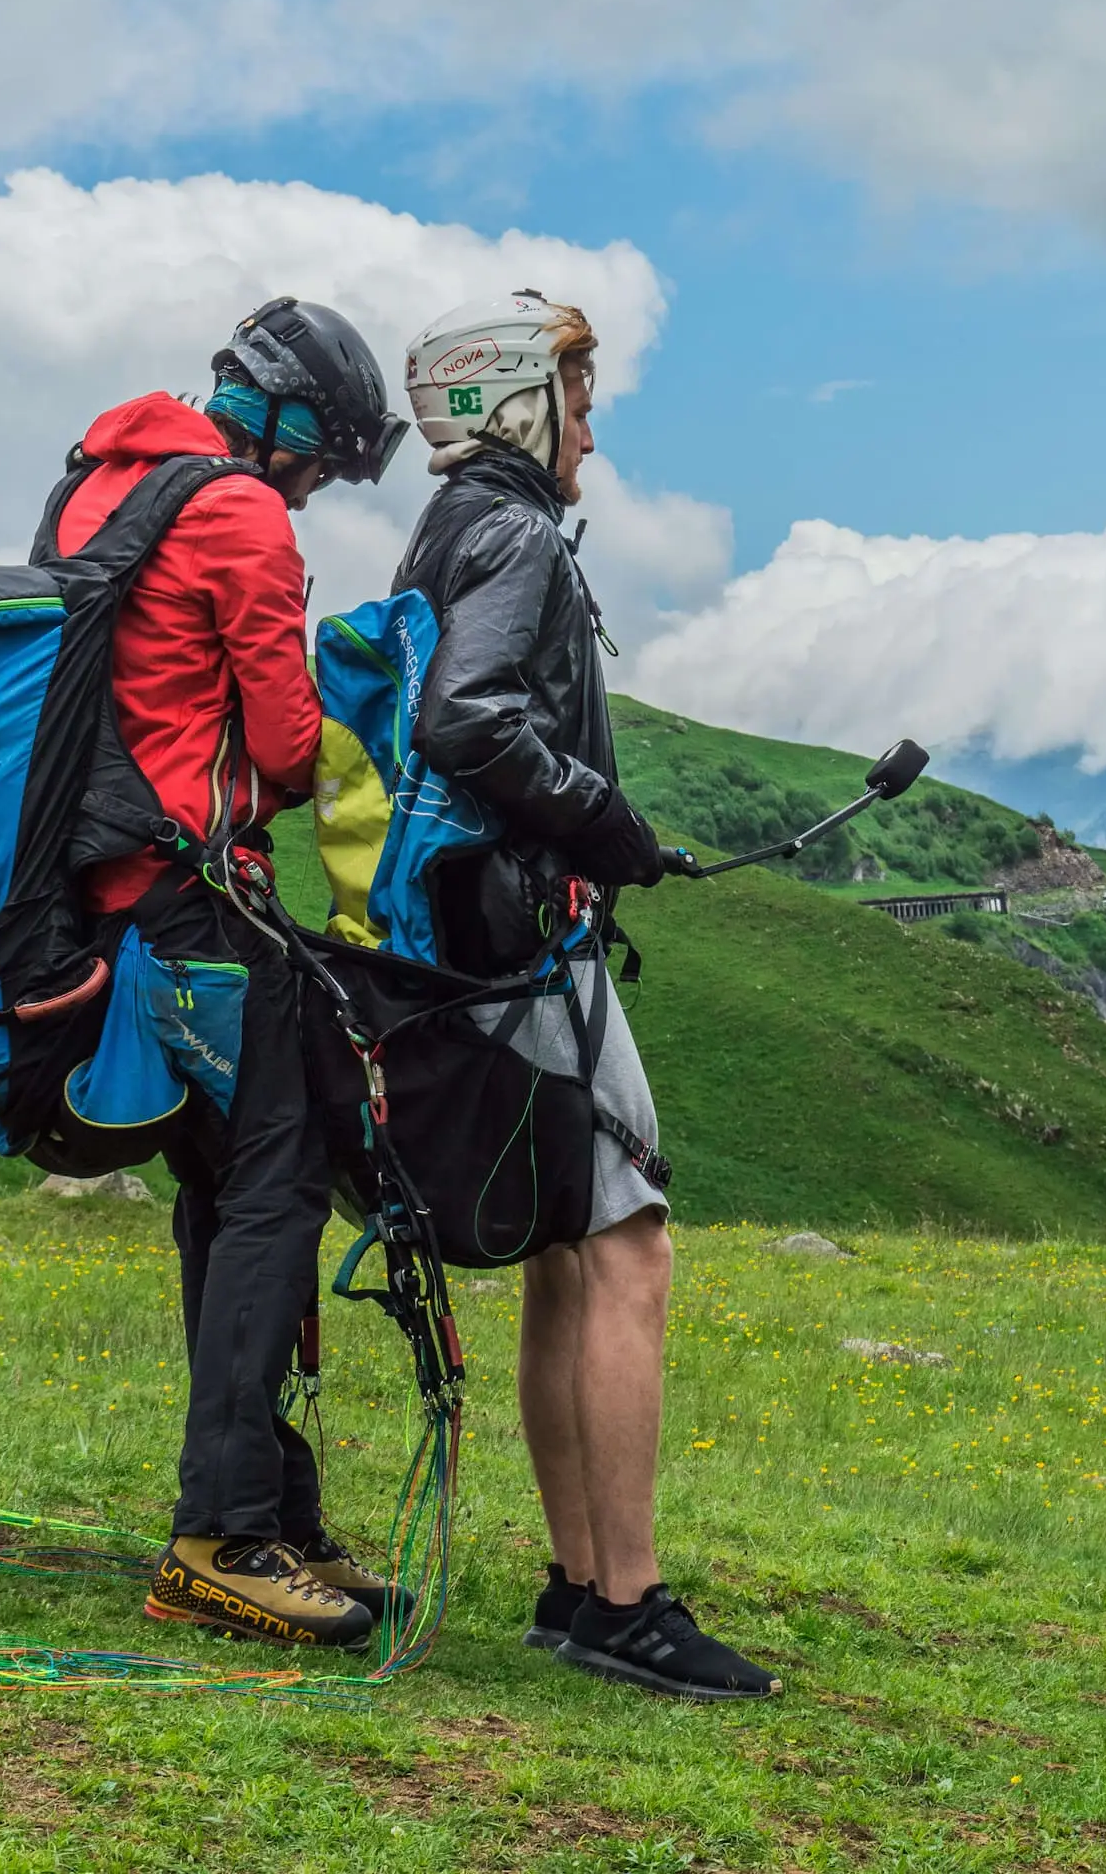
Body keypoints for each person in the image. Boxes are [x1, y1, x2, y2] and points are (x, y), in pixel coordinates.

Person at [397, 289, 781, 1703]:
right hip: (528, 939)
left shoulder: (448, 529)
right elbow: (469, 717)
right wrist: (604, 828)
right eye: (581, 398)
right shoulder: (516, 538)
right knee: (631, 1252)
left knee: (568, 1254)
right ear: (519, 402)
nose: (592, 436)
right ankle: (627, 1600)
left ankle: (574, 1587)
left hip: (465, 940)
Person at [55, 296, 408, 1649]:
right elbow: (279, 733)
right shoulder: (239, 513)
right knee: (277, 1180)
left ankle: (275, 1515)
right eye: (323, 464)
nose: (315, 493)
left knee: (221, 1187)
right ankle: (225, 1538)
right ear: (292, 425)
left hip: (100, 903)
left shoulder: (100, 486)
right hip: (193, 899)